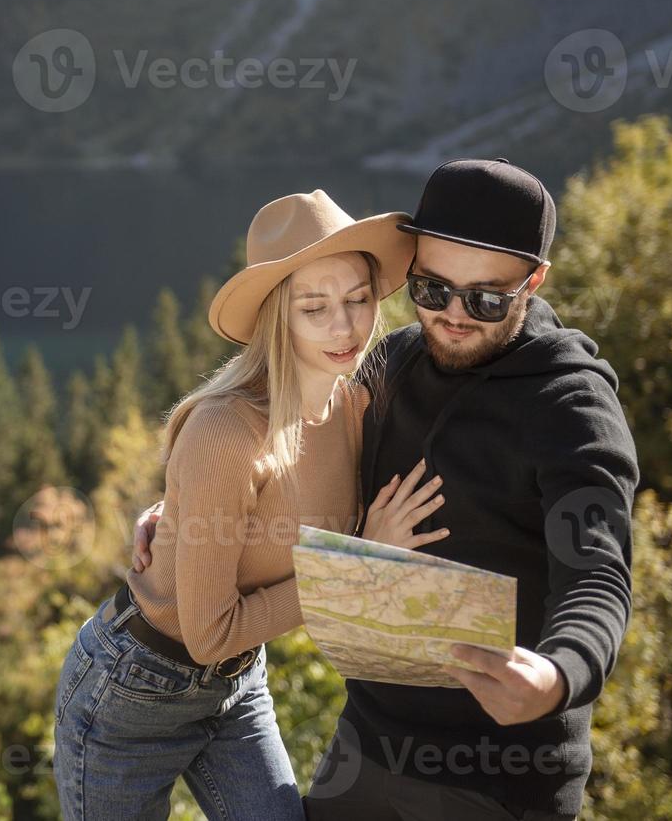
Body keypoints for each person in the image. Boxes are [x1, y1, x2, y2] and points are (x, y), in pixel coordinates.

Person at [136, 159, 639, 820]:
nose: (454, 316)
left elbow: (598, 577)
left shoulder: (571, 406)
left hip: (498, 781)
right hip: (365, 751)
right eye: (432, 291)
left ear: (534, 280)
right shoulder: (394, 362)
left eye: (487, 299)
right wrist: (184, 515)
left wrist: (558, 675)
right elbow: (287, 446)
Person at [53, 190, 448, 821]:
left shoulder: (355, 407)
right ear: (276, 318)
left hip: (237, 686)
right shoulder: (224, 429)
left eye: (357, 300)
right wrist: (357, 563)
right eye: (313, 308)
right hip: (132, 691)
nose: (344, 327)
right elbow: (209, 633)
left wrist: (180, 514)